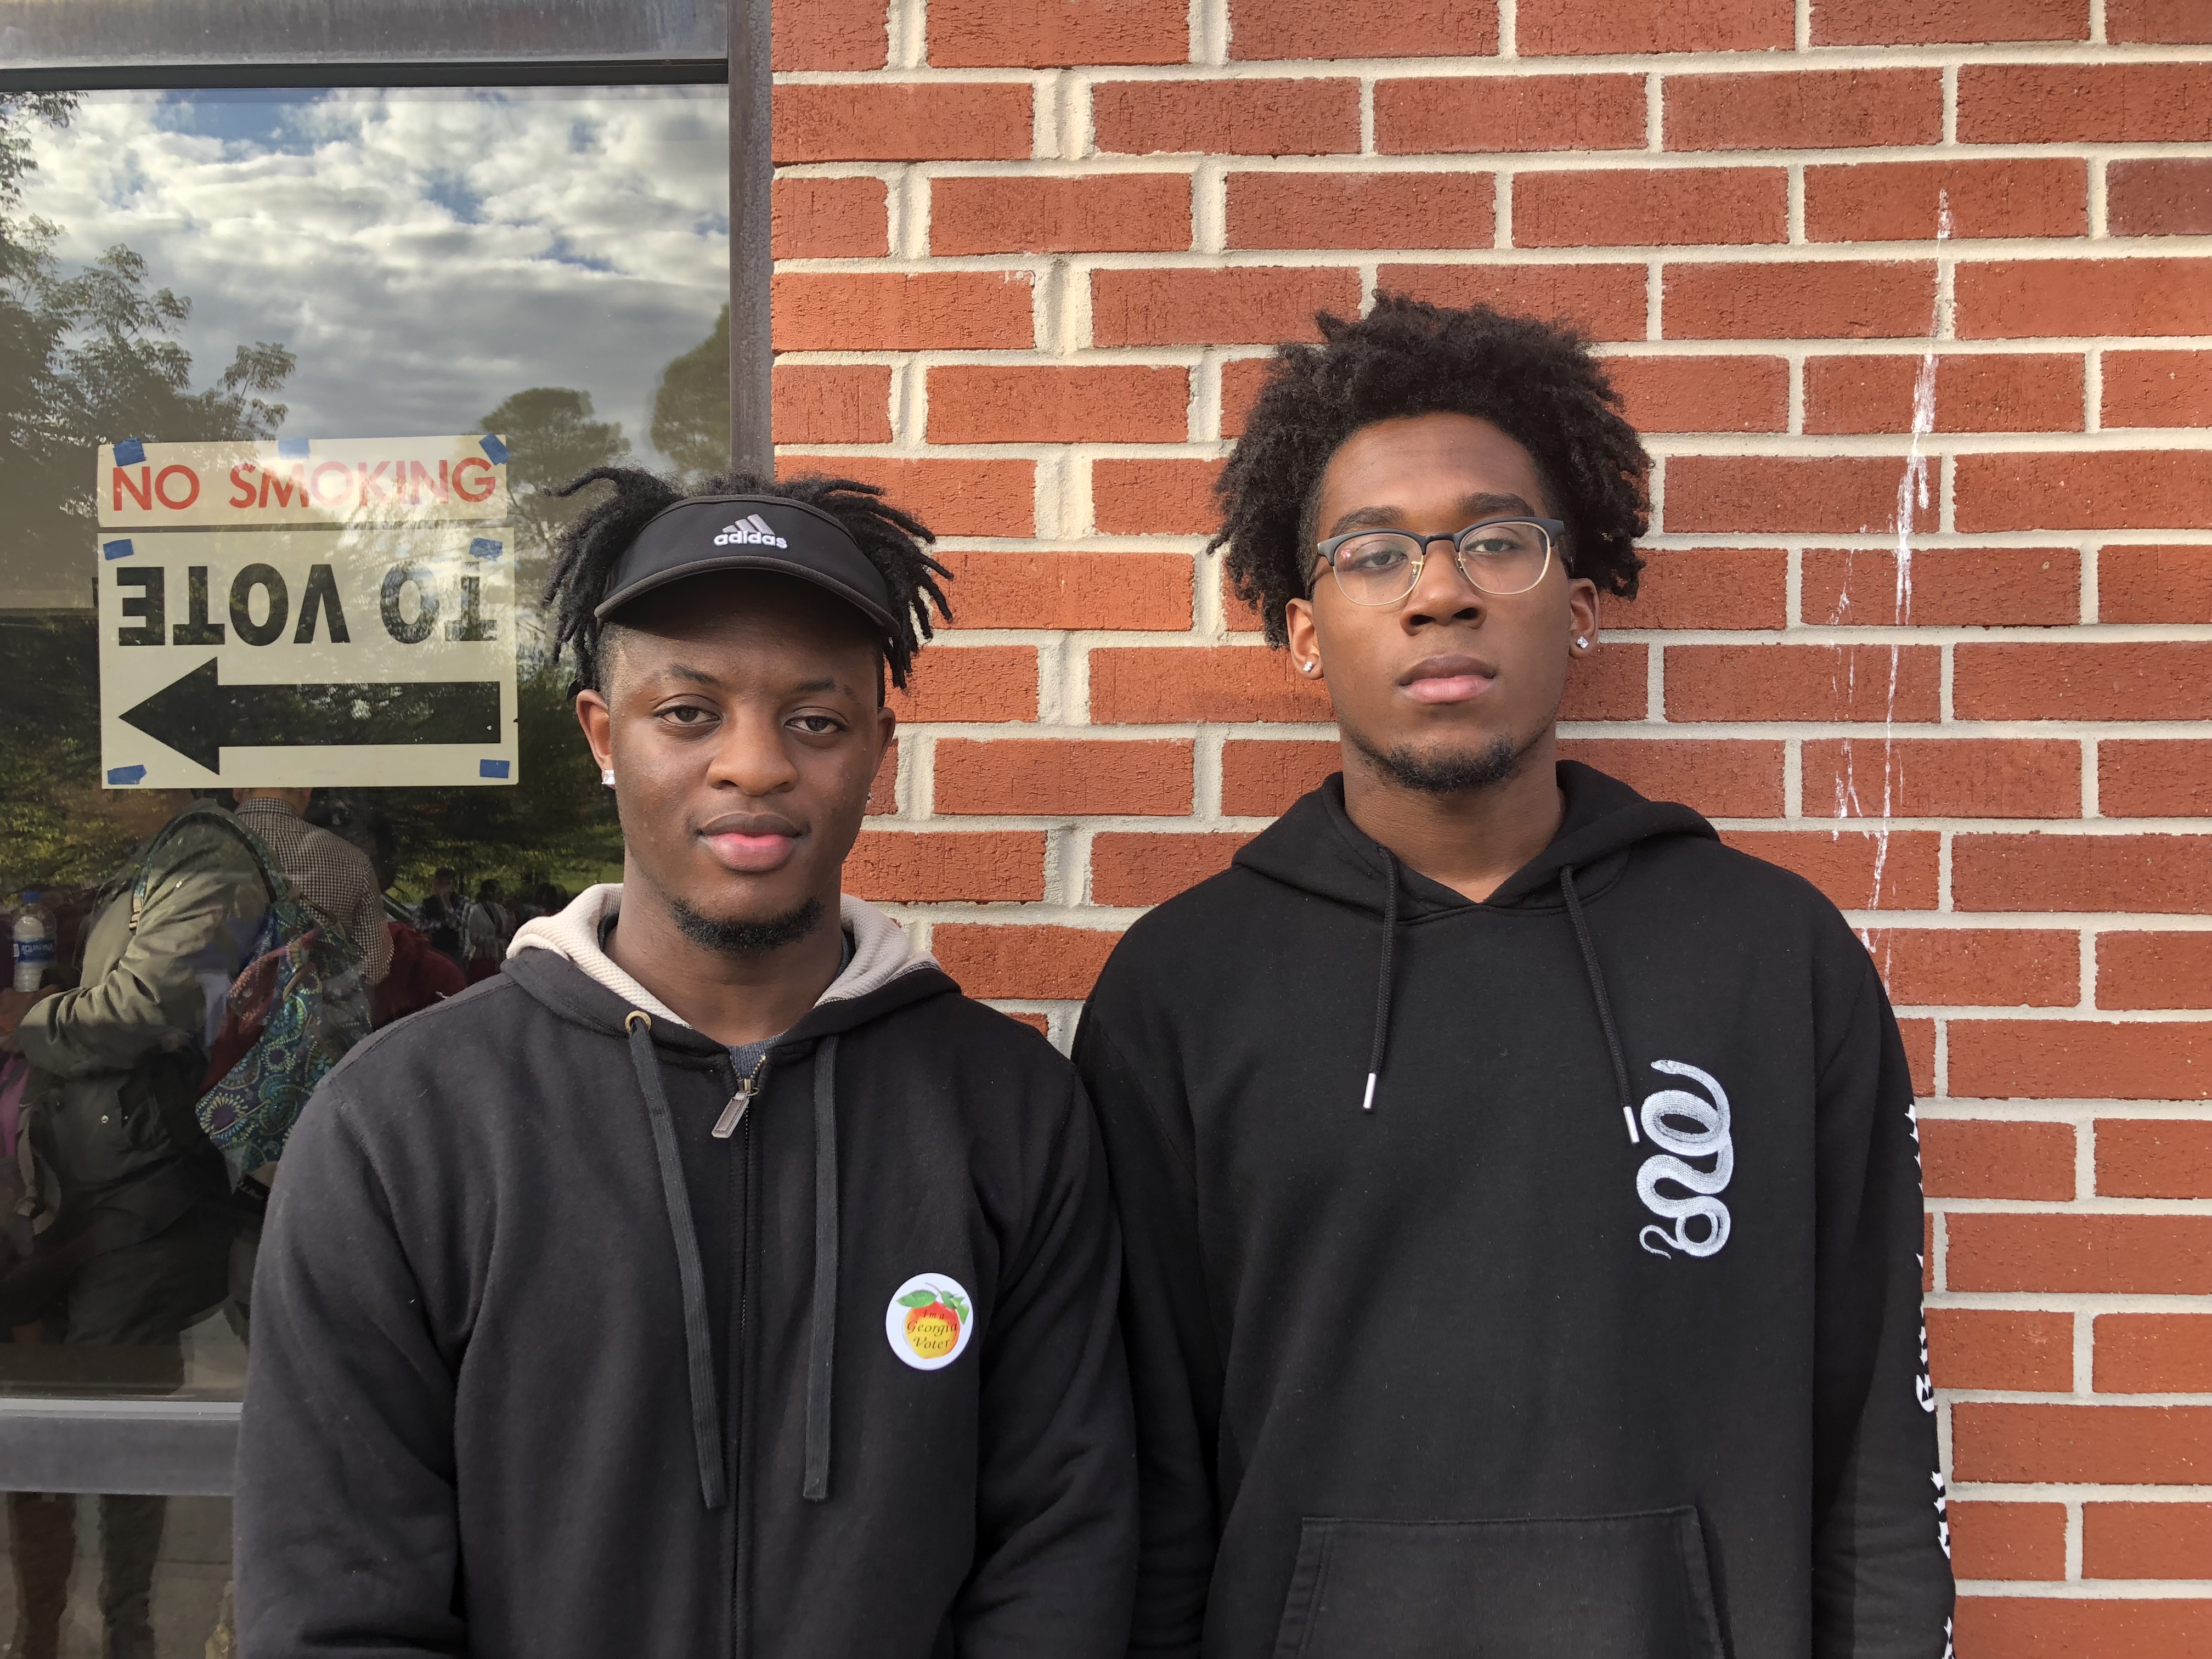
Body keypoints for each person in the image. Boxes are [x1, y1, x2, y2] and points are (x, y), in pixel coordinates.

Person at [1075, 297, 1955, 1658]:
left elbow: (1876, 1457)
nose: (1443, 590)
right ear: (1304, 633)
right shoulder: (1182, 994)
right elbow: (1151, 1480)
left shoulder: (1776, 961)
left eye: (1500, 539)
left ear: (1581, 603)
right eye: (1375, 554)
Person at [234, 469, 1138, 1656]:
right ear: (606, 738)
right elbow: (335, 1600)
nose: (754, 765)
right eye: (689, 712)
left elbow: (1060, 1552)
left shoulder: (1009, 1111)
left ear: (879, 749)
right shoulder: (402, 1125)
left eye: (814, 720)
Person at [1, 796, 270, 1659]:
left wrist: (24, 1019)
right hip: (55, 1195)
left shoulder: (204, 860)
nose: (85, 795)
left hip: (135, 1198)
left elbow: (147, 1008)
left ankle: (128, 1630)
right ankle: (47, 1626)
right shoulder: (134, 873)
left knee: (118, 1430)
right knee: (46, 1434)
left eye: (111, 779)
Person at [231, 787, 393, 989]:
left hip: (215, 1017)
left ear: (237, 789)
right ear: (306, 790)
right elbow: (374, 966)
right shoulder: (353, 860)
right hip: (319, 1017)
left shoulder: (193, 849)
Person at [462, 877, 512, 982]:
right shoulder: (475, 911)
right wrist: (492, 940)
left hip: (500, 958)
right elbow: (473, 937)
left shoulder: (501, 909)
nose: (500, 893)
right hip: (483, 958)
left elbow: (507, 931)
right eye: (496, 890)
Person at [416, 866, 466, 970]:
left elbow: (457, 926)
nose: (443, 888)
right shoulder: (426, 903)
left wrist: (447, 905)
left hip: (454, 951)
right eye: (440, 884)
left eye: (447, 884)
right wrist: (441, 923)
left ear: (453, 885)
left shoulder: (461, 902)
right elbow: (418, 926)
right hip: (432, 950)